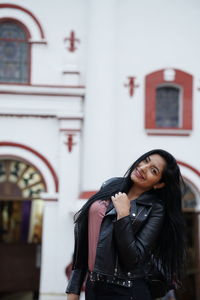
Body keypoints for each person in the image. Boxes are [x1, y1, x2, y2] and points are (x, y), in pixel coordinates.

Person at [66, 149, 186, 300]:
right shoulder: (110, 186)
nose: (143, 168)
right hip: (93, 287)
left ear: (159, 184)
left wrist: (123, 214)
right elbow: (85, 241)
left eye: (153, 170)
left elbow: (132, 259)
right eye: (145, 161)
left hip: (127, 291)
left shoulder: (155, 209)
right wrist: (74, 289)